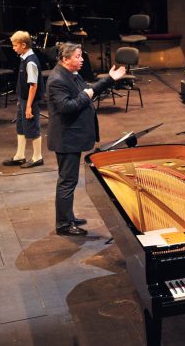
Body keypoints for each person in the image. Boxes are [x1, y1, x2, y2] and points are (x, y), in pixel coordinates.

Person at [47, 43, 125, 236]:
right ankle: (64, 224)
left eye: (81, 56)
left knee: (69, 180)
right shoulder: (57, 79)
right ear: (65, 59)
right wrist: (87, 94)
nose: (82, 60)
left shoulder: (71, 74)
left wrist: (108, 80)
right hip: (67, 138)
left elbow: (89, 90)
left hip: (73, 136)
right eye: (78, 56)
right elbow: (67, 107)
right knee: (67, 181)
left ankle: (68, 216)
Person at [3, 31, 45, 169]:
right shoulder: (23, 57)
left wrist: (28, 106)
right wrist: (20, 99)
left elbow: (33, 86)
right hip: (23, 99)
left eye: (15, 45)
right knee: (21, 127)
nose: (14, 48)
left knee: (32, 127)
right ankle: (20, 155)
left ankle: (37, 157)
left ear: (23, 45)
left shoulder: (30, 62)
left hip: (30, 101)